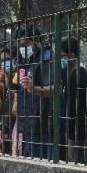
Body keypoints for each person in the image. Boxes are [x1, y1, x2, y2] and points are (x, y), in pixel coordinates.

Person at [17, 27, 55, 159]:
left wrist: (34, 89)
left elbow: (54, 89)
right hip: (31, 124)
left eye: (24, 45)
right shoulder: (34, 59)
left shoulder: (46, 58)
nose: (22, 49)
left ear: (36, 41)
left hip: (41, 125)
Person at [60, 37, 87, 164]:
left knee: (80, 163)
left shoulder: (81, 76)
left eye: (63, 56)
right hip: (70, 127)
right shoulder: (65, 72)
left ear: (71, 55)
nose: (61, 59)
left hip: (81, 129)